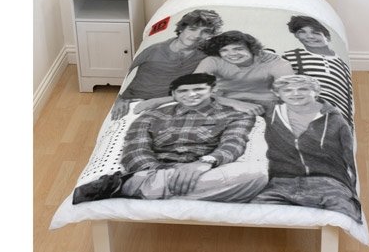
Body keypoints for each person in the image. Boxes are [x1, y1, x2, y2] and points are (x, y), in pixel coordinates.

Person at [73, 73, 268, 204]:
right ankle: (157, 188)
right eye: (183, 91)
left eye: (199, 89)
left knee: (257, 173)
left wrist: (204, 163)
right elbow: (136, 151)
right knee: (247, 184)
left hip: (204, 170)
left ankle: (129, 187)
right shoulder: (151, 116)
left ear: (212, 90)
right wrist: (167, 171)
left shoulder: (236, 115)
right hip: (157, 169)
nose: (191, 95)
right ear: (173, 94)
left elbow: (233, 144)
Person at [251, 75, 362, 223]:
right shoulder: (271, 110)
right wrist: (237, 104)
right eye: (288, 90)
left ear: (316, 92)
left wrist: (352, 193)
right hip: (281, 183)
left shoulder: (335, 119)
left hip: (328, 183)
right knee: (254, 213)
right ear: (278, 94)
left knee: (345, 216)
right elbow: (223, 97)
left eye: (303, 89)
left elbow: (351, 157)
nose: (295, 94)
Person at [110, 9, 223, 119]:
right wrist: (119, 99)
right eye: (192, 29)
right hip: (133, 101)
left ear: (210, 35)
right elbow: (125, 74)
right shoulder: (154, 49)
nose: (197, 35)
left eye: (205, 32)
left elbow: (211, 89)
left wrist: (158, 101)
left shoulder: (206, 56)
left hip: (172, 103)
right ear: (181, 29)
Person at [194, 30, 295, 112]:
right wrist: (235, 104)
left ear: (252, 49)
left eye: (238, 49)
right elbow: (193, 88)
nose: (232, 54)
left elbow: (290, 91)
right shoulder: (213, 61)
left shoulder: (274, 61)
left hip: (268, 102)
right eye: (224, 50)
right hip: (225, 101)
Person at [282, 16, 354, 129]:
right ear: (296, 36)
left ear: (327, 38)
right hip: (307, 121)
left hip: (341, 122)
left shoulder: (343, 65)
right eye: (302, 32)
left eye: (316, 33)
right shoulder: (291, 56)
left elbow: (348, 97)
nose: (309, 36)